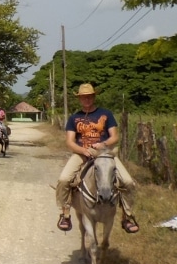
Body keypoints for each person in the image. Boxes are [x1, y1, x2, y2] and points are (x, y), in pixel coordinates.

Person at [55, 83, 138, 234]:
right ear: (79, 99)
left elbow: (115, 137)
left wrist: (103, 144)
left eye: (89, 96)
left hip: (105, 154)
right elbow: (70, 142)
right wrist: (83, 150)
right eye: (83, 97)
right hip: (82, 153)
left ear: (93, 97)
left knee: (127, 181)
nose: (86, 99)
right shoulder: (74, 118)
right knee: (64, 179)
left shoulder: (106, 114)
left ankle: (127, 216)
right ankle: (65, 214)